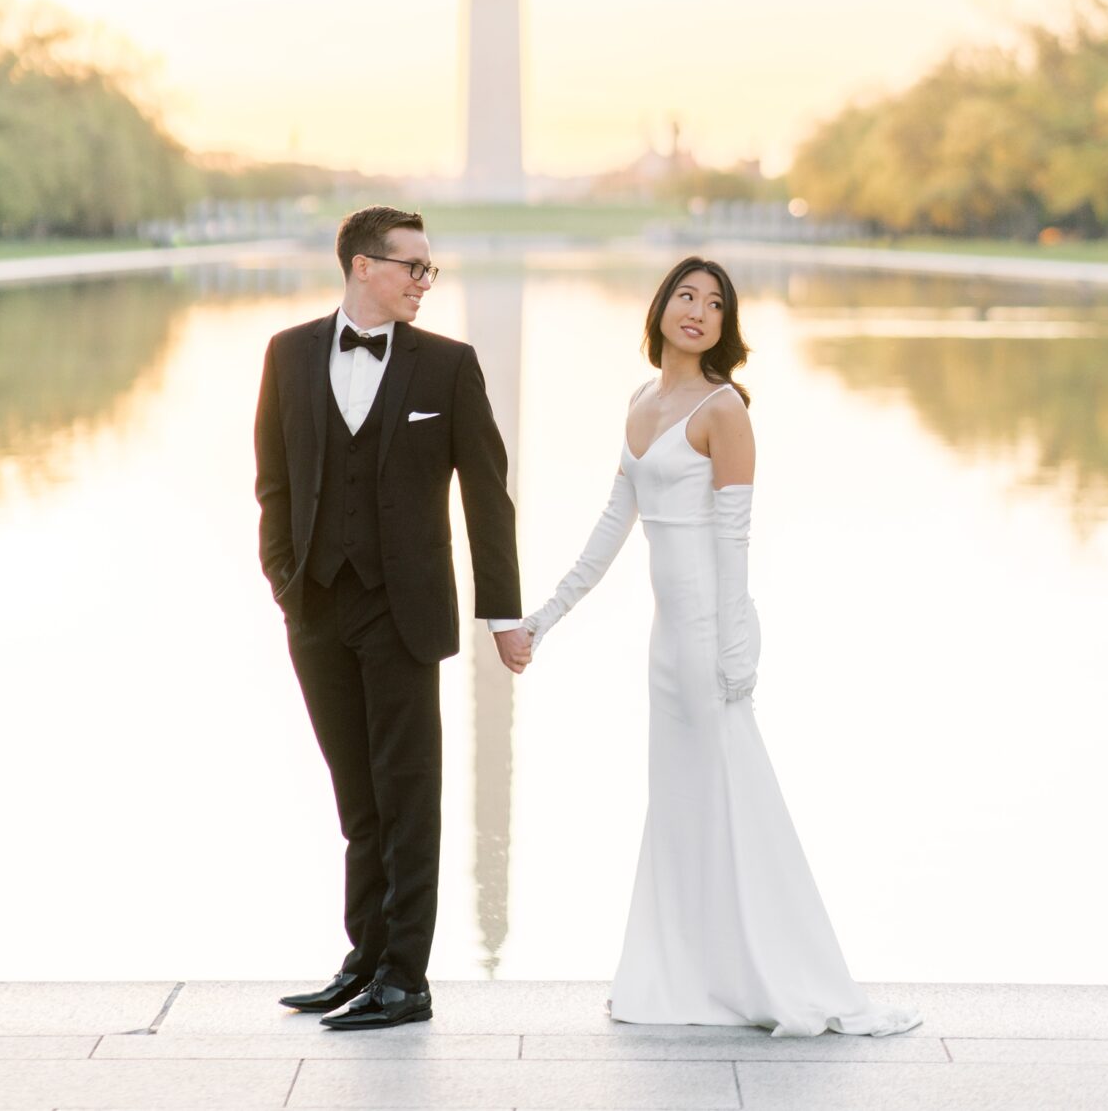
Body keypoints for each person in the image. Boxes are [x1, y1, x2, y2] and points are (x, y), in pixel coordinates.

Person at [519, 256, 922, 1038]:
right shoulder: (640, 402)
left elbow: (734, 538)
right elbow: (611, 528)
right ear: (661, 306)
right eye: (685, 295)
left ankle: (770, 972)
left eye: (714, 303)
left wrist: (737, 646)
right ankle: (680, 975)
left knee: (730, 800)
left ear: (725, 326)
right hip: (664, 645)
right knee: (678, 807)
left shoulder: (724, 408)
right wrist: (544, 616)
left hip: (709, 634)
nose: (698, 310)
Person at [254, 205, 526, 1030]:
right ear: (362, 266)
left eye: (428, 268)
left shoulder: (448, 365)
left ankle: (406, 976)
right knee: (356, 797)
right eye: (412, 266)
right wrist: (283, 579)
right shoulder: (288, 353)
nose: (424, 281)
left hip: (404, 613)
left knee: (408, 795)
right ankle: (363, 958)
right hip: (317, 608)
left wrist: (502, 613)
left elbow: (488, 496)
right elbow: (272, 480)